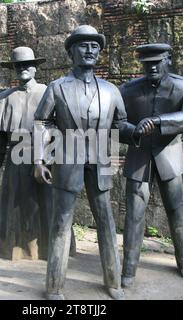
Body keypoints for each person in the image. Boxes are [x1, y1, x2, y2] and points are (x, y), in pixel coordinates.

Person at [34, 25, 138, 300]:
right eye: (83, 45)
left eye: (95, 46)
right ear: (71, 52)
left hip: (101, 162)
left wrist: (137, 132)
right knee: (61, 224)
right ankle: (54, 287)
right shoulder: (57, 88)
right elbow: (43, 122)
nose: (90, 49)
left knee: (106, 222)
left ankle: (113, 283)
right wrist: (39, 159)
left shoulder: (111, 90)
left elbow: (121, 124)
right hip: (67, 160)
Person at [0, 46, 76, 260]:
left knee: (49, 203)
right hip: (17, 158)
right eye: (18, 65)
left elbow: (60, 127)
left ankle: (53, 249)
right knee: (16, 205)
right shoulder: (4, 98)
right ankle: (16, 250)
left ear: (35, 68)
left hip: (47, 156)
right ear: (14, 69)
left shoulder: (49, 92)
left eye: (27, 64)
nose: (22, 68)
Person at [119, 43, 183, 287]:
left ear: (168, 61)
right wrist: (134, 131)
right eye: (147, 63)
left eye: (158, 61)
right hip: (139, 157)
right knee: (134, 214)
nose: (152, 66)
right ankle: (128, 270)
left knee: (177, 211)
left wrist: (158, 121)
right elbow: (116, 123)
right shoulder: (129, 90)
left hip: (170, 157)